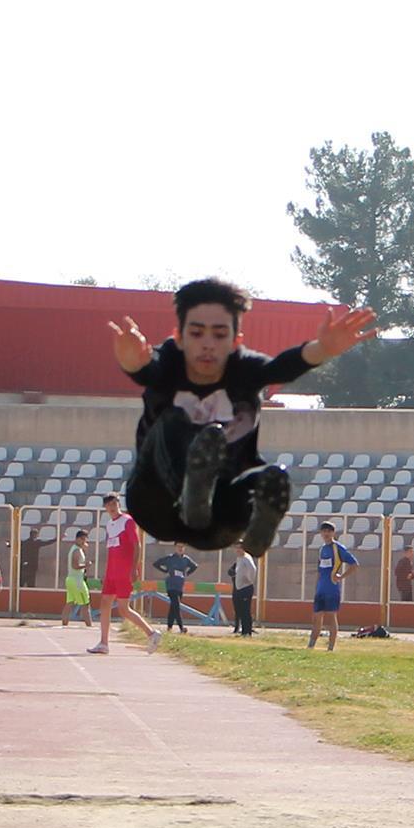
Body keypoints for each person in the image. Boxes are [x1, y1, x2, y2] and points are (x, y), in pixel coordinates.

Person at [108, 278, 376, 556]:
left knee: (266, 477)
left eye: (219, 335)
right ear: (179, 337)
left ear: (236, 341)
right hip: (156, 502)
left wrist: (323, 349)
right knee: (174, 419)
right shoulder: (168, 362)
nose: (208, 345)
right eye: (197, 334)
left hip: (216, 518)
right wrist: (131, 359)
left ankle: (254, 529)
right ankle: (190, 491)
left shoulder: (245, 369)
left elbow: (281, 368)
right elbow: (144, 369)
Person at [89, 492, 160, 655]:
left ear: (118, 504)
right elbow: (112, 549)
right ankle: (103, 643)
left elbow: (137, 546)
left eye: (114, 504)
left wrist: (134, 568)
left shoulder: (127, 521)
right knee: (105, 603)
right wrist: (106, 573)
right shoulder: (109, 524)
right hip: (112, 571)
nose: (112, 508)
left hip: (124, 571)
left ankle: (152, 633)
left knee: (123, 609)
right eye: (108, 505)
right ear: (105, 507)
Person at [309, 521, 357, 652]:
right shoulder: (322, 549)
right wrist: (316, 586)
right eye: (324, 531)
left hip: (332, 588)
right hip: (321, 588)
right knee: (317, 616)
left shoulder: (338, 548)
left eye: (329, 531)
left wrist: (341, 577)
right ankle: (311, 644)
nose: (326, 534)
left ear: (333, 533)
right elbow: (320, 570)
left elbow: (354, 564)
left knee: (331, 616)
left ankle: (330, 647)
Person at [153, 541, 199, 633]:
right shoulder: (170, 558)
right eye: (178, 546)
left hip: (180, 586)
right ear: (175, 547)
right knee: (176, 606)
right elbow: (156, 564)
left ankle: (169, 628)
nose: (180, 548)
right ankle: (182, 628)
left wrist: (187, 573)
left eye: (182, 546)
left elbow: (195, 566)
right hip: (171, 586)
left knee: (173, 608)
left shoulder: (186, 559)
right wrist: (165, 571)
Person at [62, 529, 94, 627]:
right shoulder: (76, 550)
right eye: (82, 539)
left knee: (69, 603)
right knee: (85, 603)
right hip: (77, 580)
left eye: (85, 539)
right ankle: (89, 625)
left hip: (71, 579)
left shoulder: (77, 549)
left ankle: (64, 624)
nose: (84, 541)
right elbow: (75, 565)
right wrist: (86, 565)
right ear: (77, 539)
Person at [230, 541, 257, 637]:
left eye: (240, 548)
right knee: (239, 609)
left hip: (246, 588)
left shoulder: (246, 558)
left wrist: (250, 579)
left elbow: (253, 569)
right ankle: (243, 629)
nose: (238, 550)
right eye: (236, 548)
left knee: (245, 610)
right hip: (239, 588)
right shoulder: (239, 559)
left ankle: (247, 631)